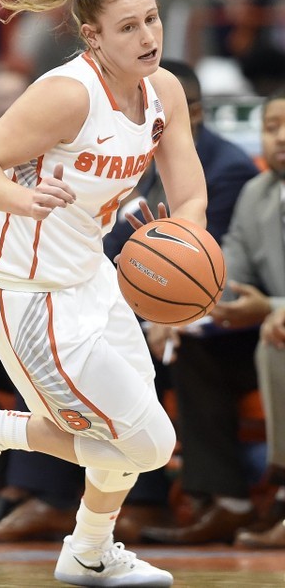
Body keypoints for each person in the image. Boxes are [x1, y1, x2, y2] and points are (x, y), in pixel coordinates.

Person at [0, 0, 207, 587]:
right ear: (93, 34)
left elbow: (191, 195)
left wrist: (185, 241)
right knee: (148, 441)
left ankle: (88, 550)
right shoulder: (65, 96)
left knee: (132, 427)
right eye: (129, 27)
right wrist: (21, 199)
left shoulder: (164, 92)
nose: (148, 36)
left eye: (151, 19)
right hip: (27, 295)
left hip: (91, 278)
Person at [110, 60, 260, 546]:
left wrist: (167, 315)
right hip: (174, 315)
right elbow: (116, 251)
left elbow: (209, 267)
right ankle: (120, 496)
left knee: (182, 348)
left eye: (145, 106)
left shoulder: (229, 169)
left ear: (188, 111)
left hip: (229, 322)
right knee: (99, 338)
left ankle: (204, 498)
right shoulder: (136, 157)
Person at [204, 89, 285, 549]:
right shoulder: (256, 193)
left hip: (273, 333)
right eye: (271, 128)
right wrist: (192, 306)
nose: (280, 137)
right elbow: (229, 271)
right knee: (194, 347)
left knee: (276, 338)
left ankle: (282, 487)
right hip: (262, 330)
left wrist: (272, 310)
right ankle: (222, 498)